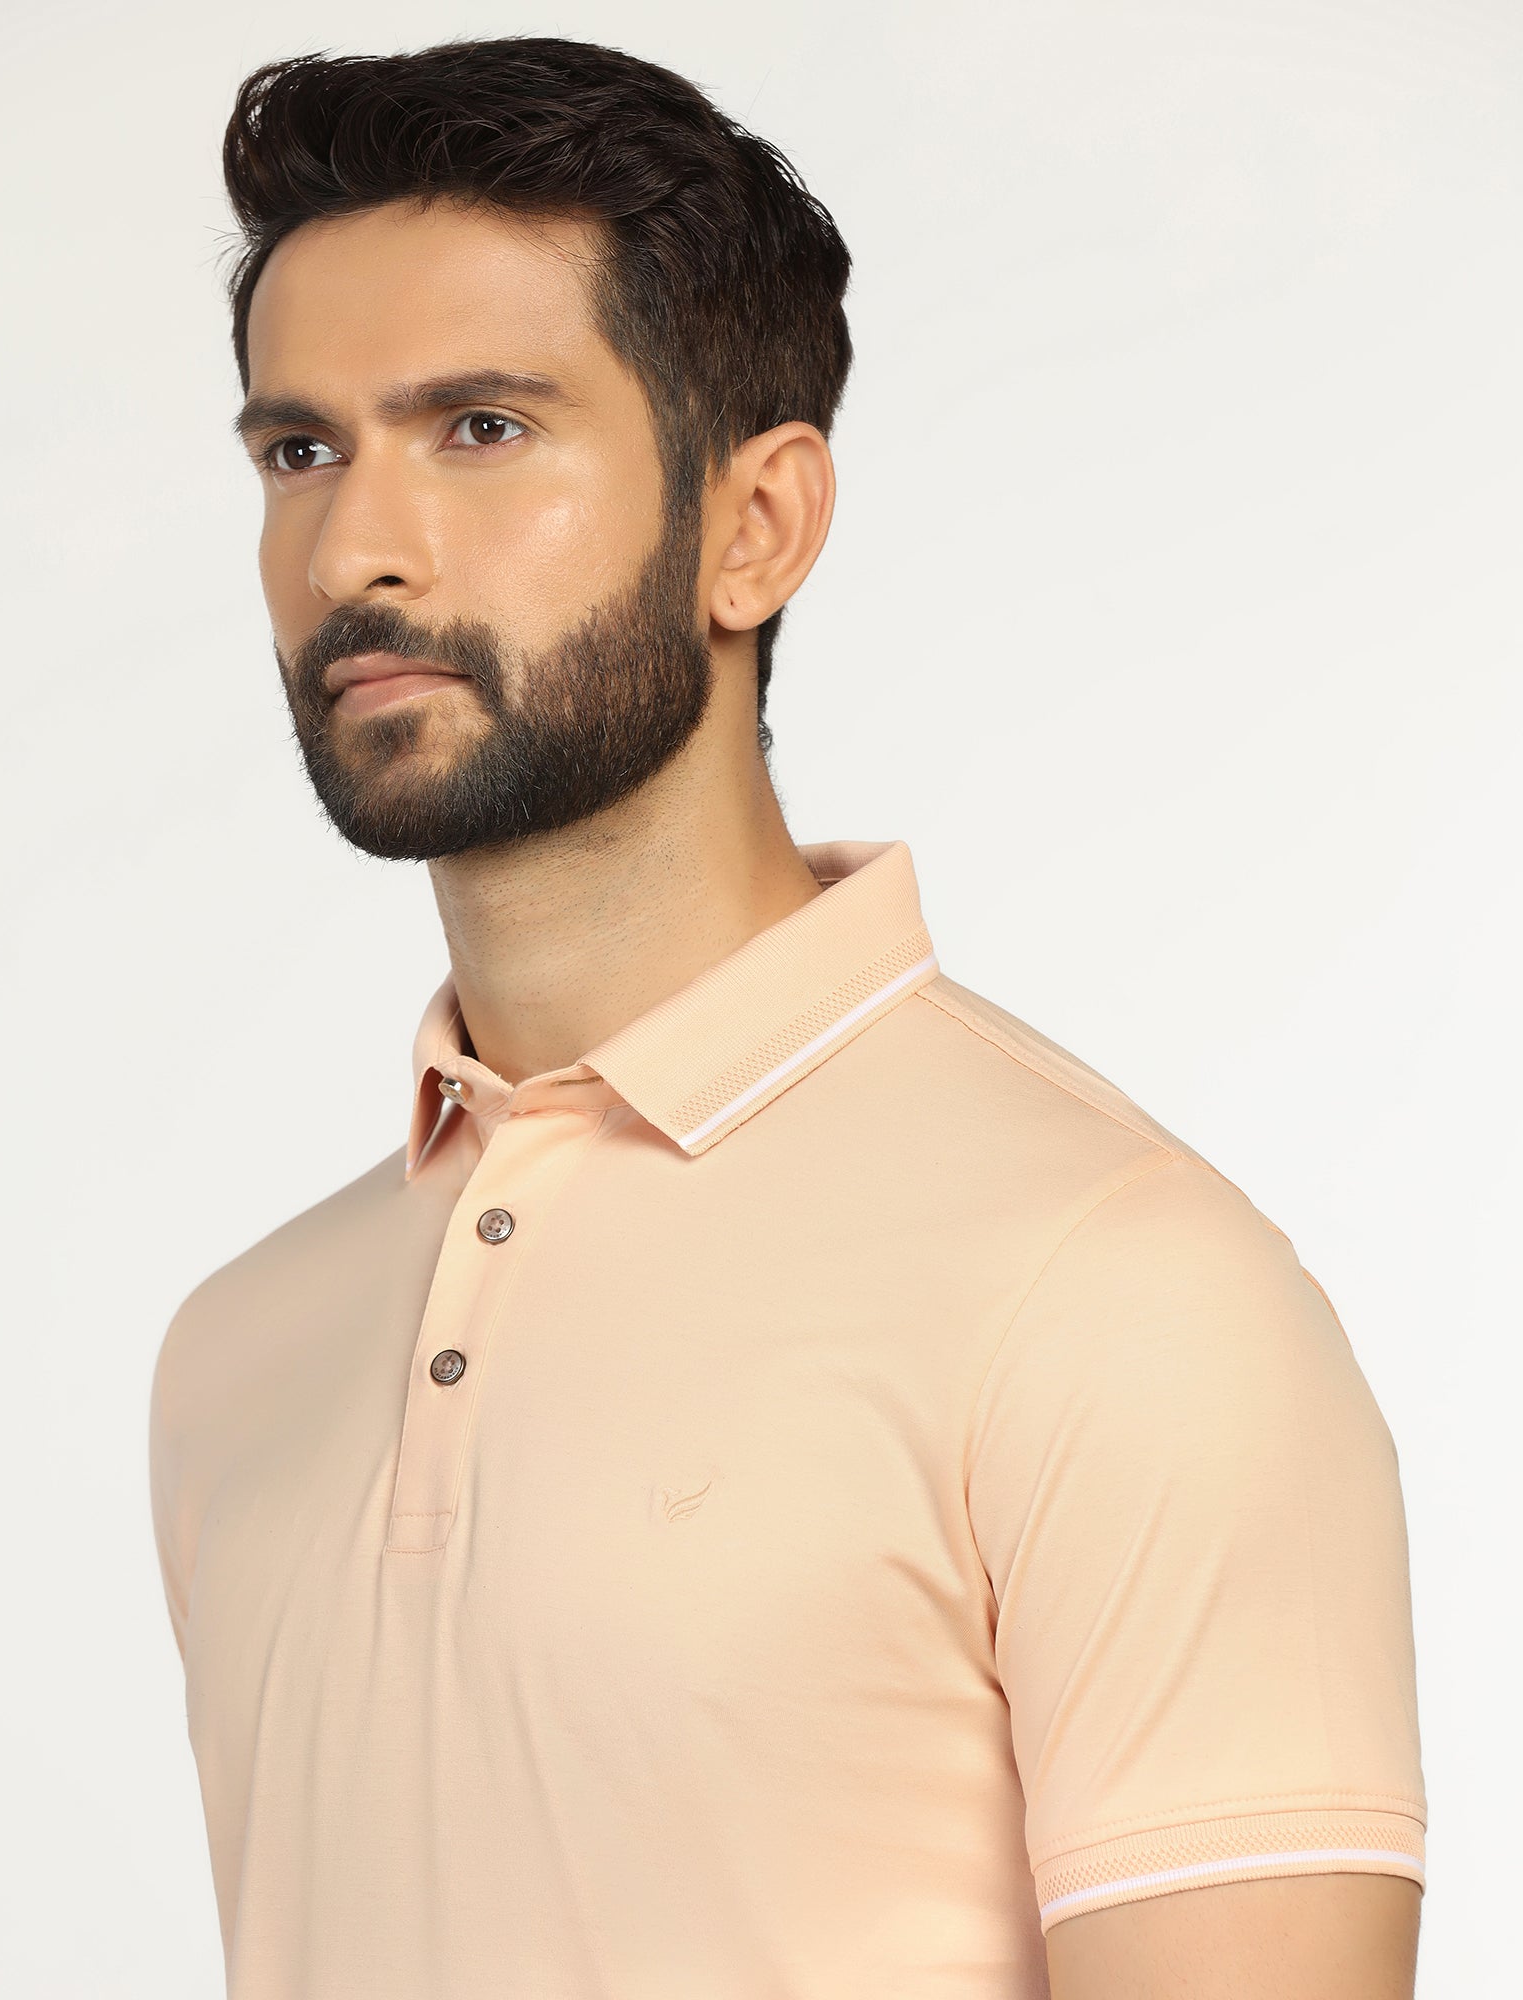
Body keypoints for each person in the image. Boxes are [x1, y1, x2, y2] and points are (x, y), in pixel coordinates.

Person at [147, 34, 1426, 2000]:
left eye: (479, 428)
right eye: (299, 452)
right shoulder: (241, 1352)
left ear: (755, 525)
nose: (352, 552)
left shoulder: (1114, 1289)